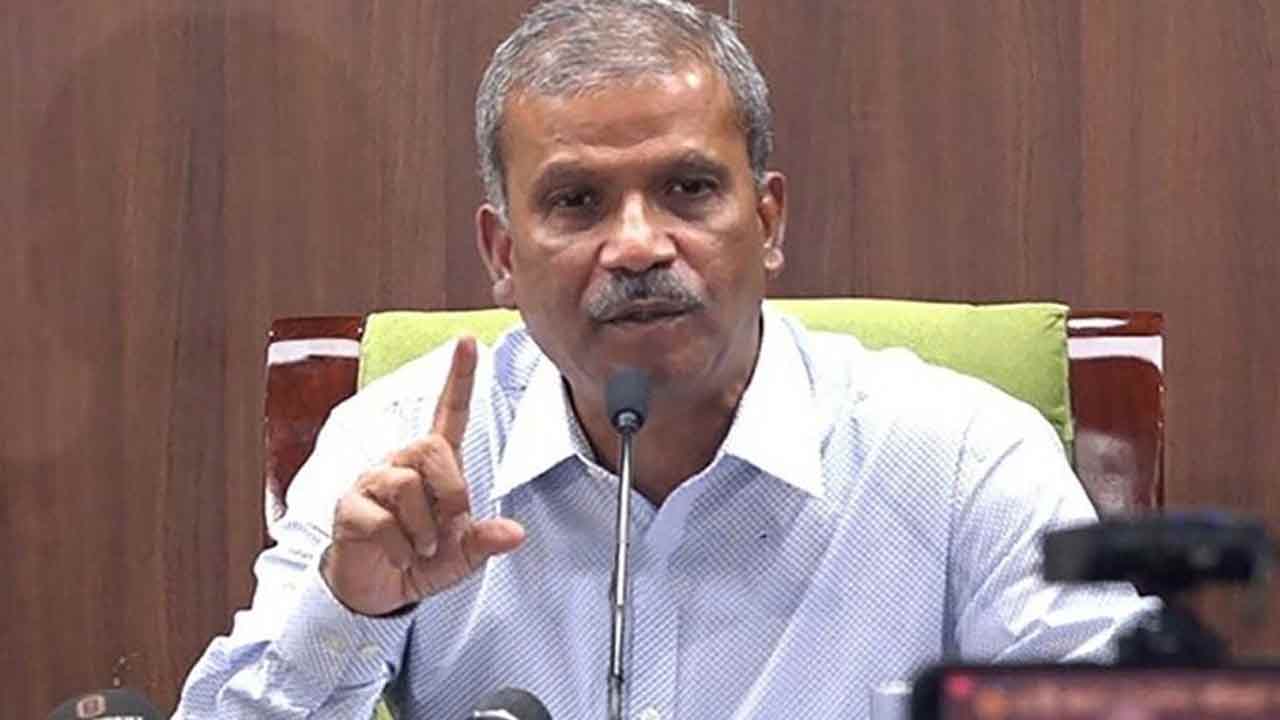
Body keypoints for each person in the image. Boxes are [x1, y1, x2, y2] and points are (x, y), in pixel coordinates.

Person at [176, 1, 1151, 717]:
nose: (638, 246)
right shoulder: (395, 457)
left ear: (767, 222)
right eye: (577, 202)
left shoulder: (960, 460)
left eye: (688, 189)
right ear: (502, 255)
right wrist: (346, 610)